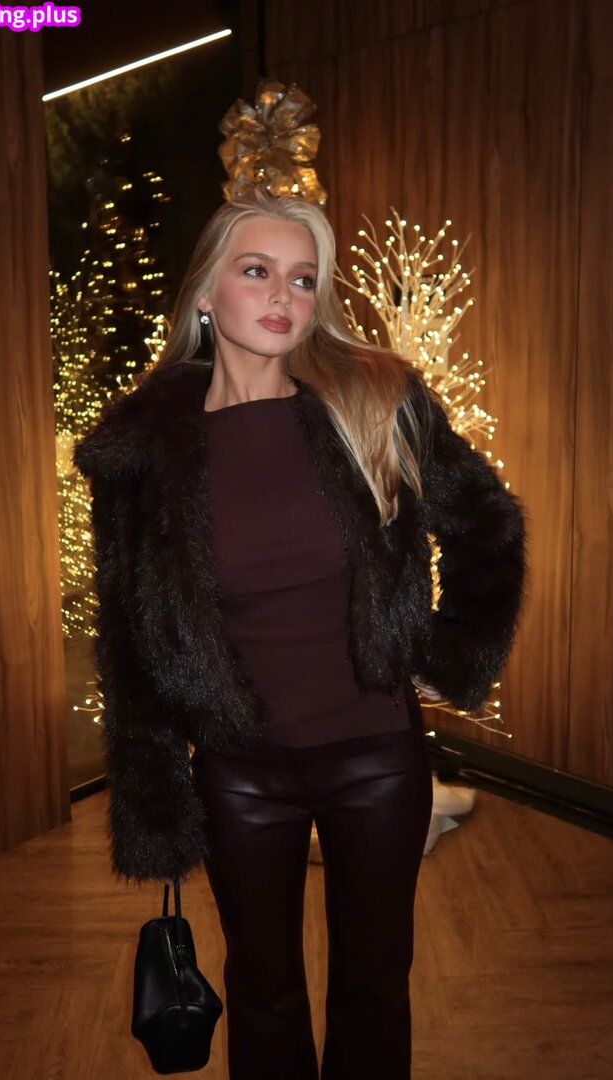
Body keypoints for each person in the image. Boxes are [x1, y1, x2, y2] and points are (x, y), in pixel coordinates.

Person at [73, 187, 526, 1080]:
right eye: (257, 271)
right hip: (242, 770)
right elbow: (129, 643)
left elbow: (489, 523)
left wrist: (452, 650)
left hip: (377, 760)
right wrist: (155, 797)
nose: (284, 295)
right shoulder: (143, 453)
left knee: (375, 989)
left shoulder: (374, 401)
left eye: (304, 278)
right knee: (263, 992)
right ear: (207, 293)